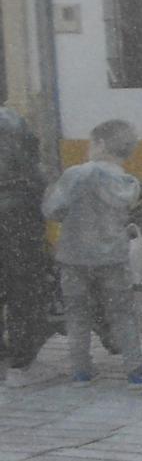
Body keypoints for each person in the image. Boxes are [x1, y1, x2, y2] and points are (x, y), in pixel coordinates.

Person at [43, 119, 142, 388]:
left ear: (101, 144)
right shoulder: (128, 183)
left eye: (91, 143)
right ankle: (135, 370)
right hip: (112, 259)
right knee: (122, 313)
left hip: (74, 257)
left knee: (78, 314)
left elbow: (52, 210)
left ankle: (81, 370)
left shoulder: (76, 175)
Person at [1, 106, 52, 386]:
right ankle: (23, 365)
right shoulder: (12, 120)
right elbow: (32, 165)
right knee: (24, 287)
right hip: (16, 213)